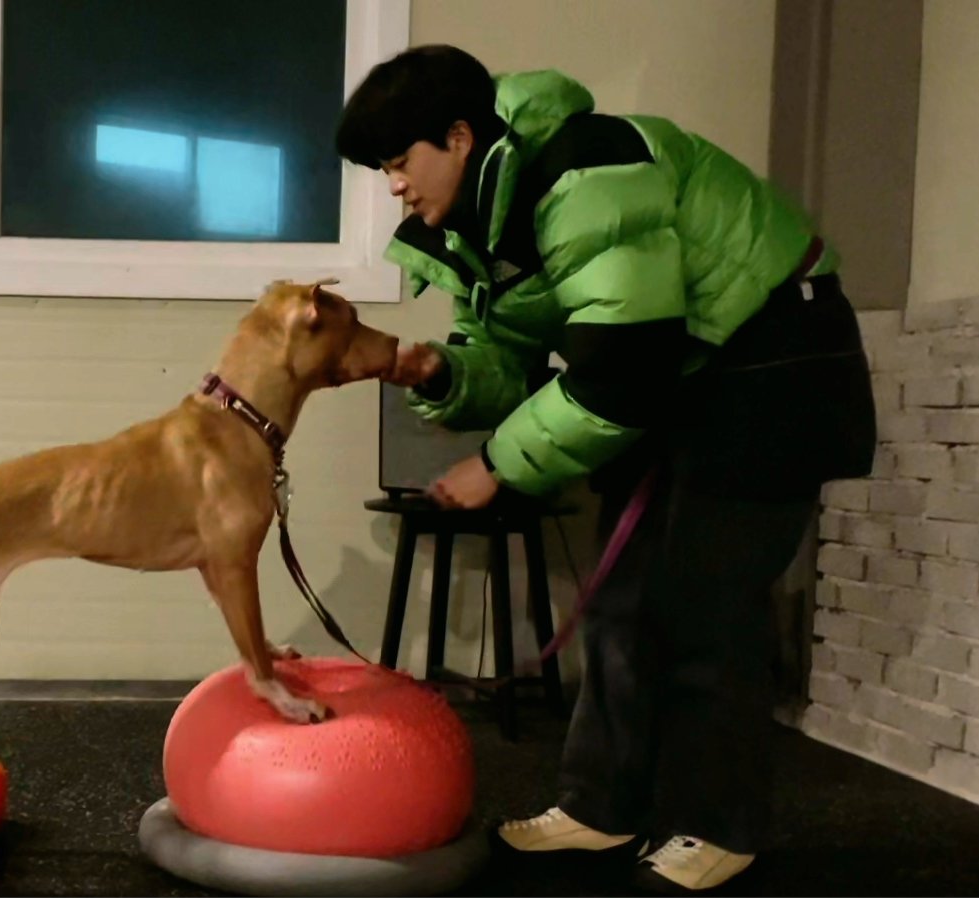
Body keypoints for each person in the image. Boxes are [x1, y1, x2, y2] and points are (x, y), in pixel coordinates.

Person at [336, 44, 876, 893]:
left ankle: (717, 827)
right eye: (383, 171)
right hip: (683, 369)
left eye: (400, 163)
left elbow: (618, 374)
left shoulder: (584, 173)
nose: (394, 186)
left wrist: (495, 465)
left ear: (459, 137)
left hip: (777, 359)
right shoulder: (493, 215)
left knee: (705, 603)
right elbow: (511, 355)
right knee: (622, 599)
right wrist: (434, 371)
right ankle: (601, 808)